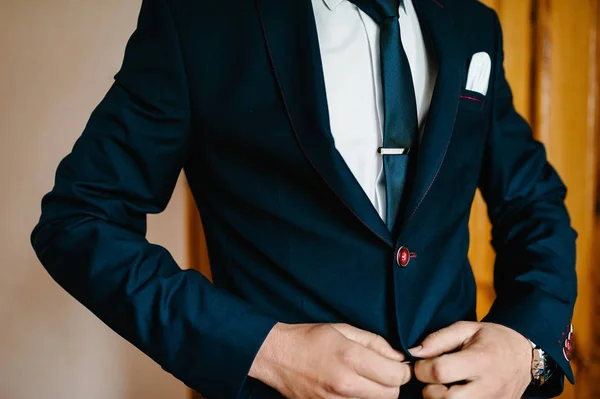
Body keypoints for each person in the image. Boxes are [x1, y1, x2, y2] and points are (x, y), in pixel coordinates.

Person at [31, 0, 578, 397]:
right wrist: (267, 350)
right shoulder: (198, 19)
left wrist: (526, 341)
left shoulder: (471, 22)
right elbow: (80, 221)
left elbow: (533, 201)